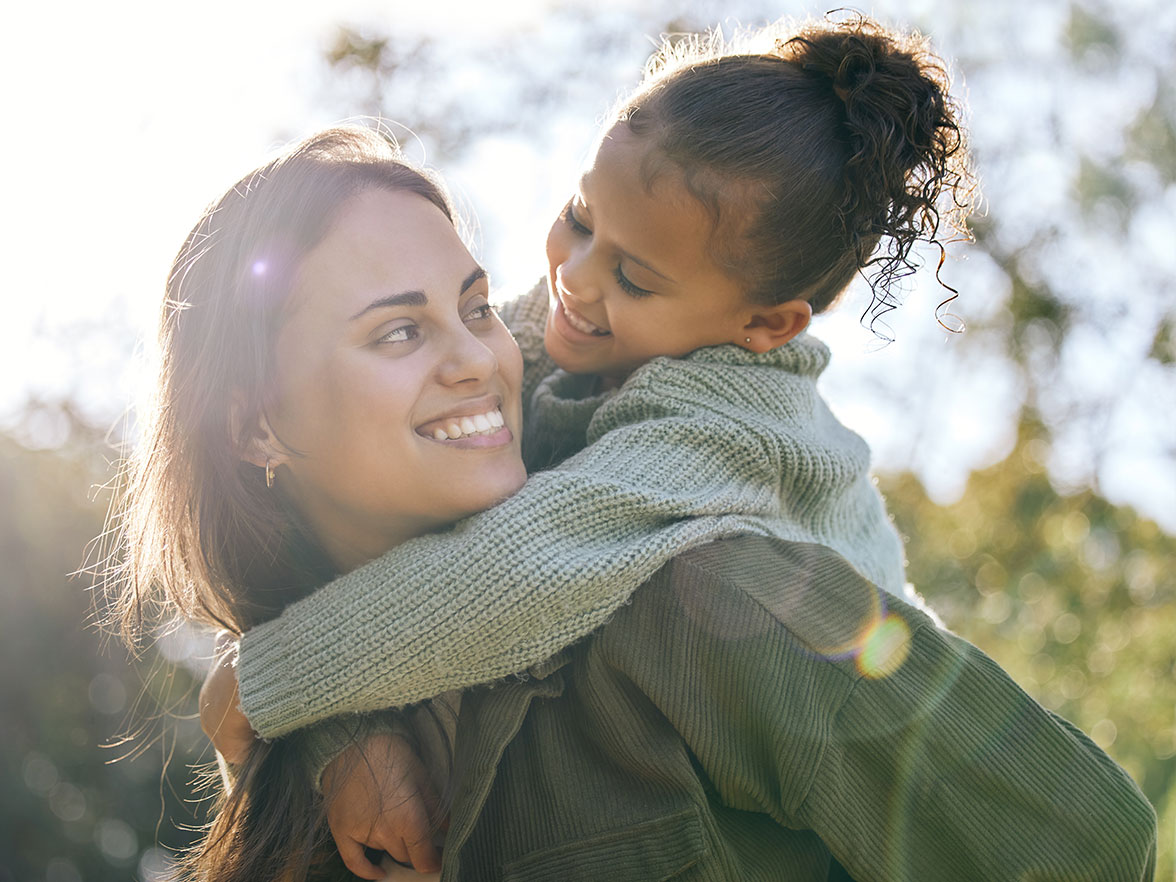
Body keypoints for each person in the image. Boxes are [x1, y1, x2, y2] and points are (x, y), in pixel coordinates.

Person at [199, 14, 1156, 880]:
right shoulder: (585, 332)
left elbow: (529, 564)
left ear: (765, 324)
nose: (572, 278)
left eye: (635, 276)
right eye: (578, 218)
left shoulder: (721, 435)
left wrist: (274, 680)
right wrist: (341, 727)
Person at [102, 125, 527, 880]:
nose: (476, 360)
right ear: (256, 427)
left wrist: (280, 692)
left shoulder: (662, 596)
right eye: (399, 332)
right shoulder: (275, 759)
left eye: (477, 307)